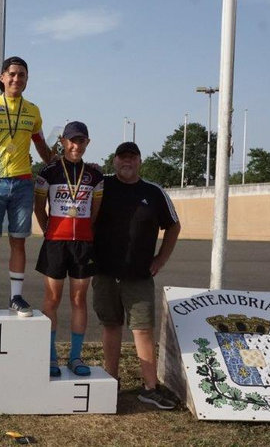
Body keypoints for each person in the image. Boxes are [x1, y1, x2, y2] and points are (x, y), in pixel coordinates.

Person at [92, 141, 181, 410]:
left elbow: (174, 226)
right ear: (115, 160)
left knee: (142, 330)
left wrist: (161, 259)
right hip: (105, 272)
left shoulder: (153, 192)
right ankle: (111, 379)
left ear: (140, 161)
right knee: (111, 325)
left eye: (132, 157)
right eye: (122, 157)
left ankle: (150, 388)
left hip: (139, 275)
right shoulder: (101, 186)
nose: (126, 162)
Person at [0, 56, 53, 317]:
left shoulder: (33, 111)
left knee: (18, 242)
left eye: (22, 75)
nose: (17, 79)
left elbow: (40, 144)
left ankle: (16, 297)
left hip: (23, 182)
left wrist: (60, 166)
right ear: (3, 77)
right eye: (12, 74)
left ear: (27, 79)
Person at [34, 121, 103, 377]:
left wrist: (87, 232)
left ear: (87, 143)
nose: (76, 146)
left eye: (81, 141)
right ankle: (51, 357)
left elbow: (96, 211)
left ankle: (75, 357)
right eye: (72, 141)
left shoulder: (95, 175)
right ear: (63, 141)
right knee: (51, 300)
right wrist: (48, 231)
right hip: (55, 243)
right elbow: (38, 207)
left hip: (83, 245)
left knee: (78, 300)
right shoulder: (48, 171)